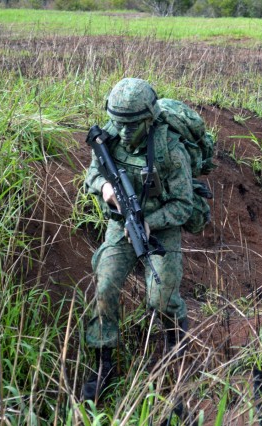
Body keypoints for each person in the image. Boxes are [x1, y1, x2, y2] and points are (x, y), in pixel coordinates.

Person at [82, 78, 195, 401]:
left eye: (133, 125)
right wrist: (104, 189)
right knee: (104, 288)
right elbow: (93, 172)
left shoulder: (169, 149)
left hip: (161, 227)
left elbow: (184, 205)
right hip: (121, 224)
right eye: (120, 124)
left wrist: (151, 222)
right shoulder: (109, 138)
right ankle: (103, 364)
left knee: (160, 296)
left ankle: (176, 351)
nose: (125, 132)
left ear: (149, 119)